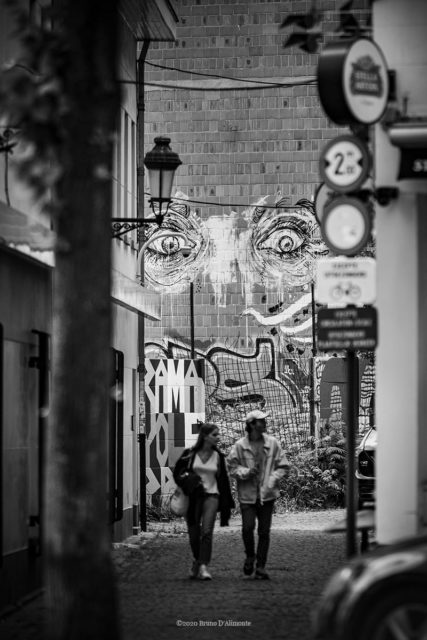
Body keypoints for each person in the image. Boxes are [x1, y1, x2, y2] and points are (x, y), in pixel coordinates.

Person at [227, 409, 290, 580]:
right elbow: (232, 467)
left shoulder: (273, 443)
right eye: (261, 421)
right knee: (247, 528)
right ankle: (250, 556)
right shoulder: (240, 446)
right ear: (252, 424)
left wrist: (272, 479)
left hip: (267, 495)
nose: (265, 423)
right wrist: (247, 472)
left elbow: (283, 466)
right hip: (247, 495)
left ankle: (261, 567)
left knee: (264, 531)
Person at [173, 422, 235, 581]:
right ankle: (197, 560)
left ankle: (203, 566)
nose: (218, 437)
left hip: (212, 497)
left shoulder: (219, 457)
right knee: (194, 533)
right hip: (193, 498)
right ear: (205, 436)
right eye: (215, 434)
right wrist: (189, 482)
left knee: (207, 531)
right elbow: (177, 473)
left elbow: (223, 481)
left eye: (218, 434)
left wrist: (227, 503)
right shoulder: (190, 454)